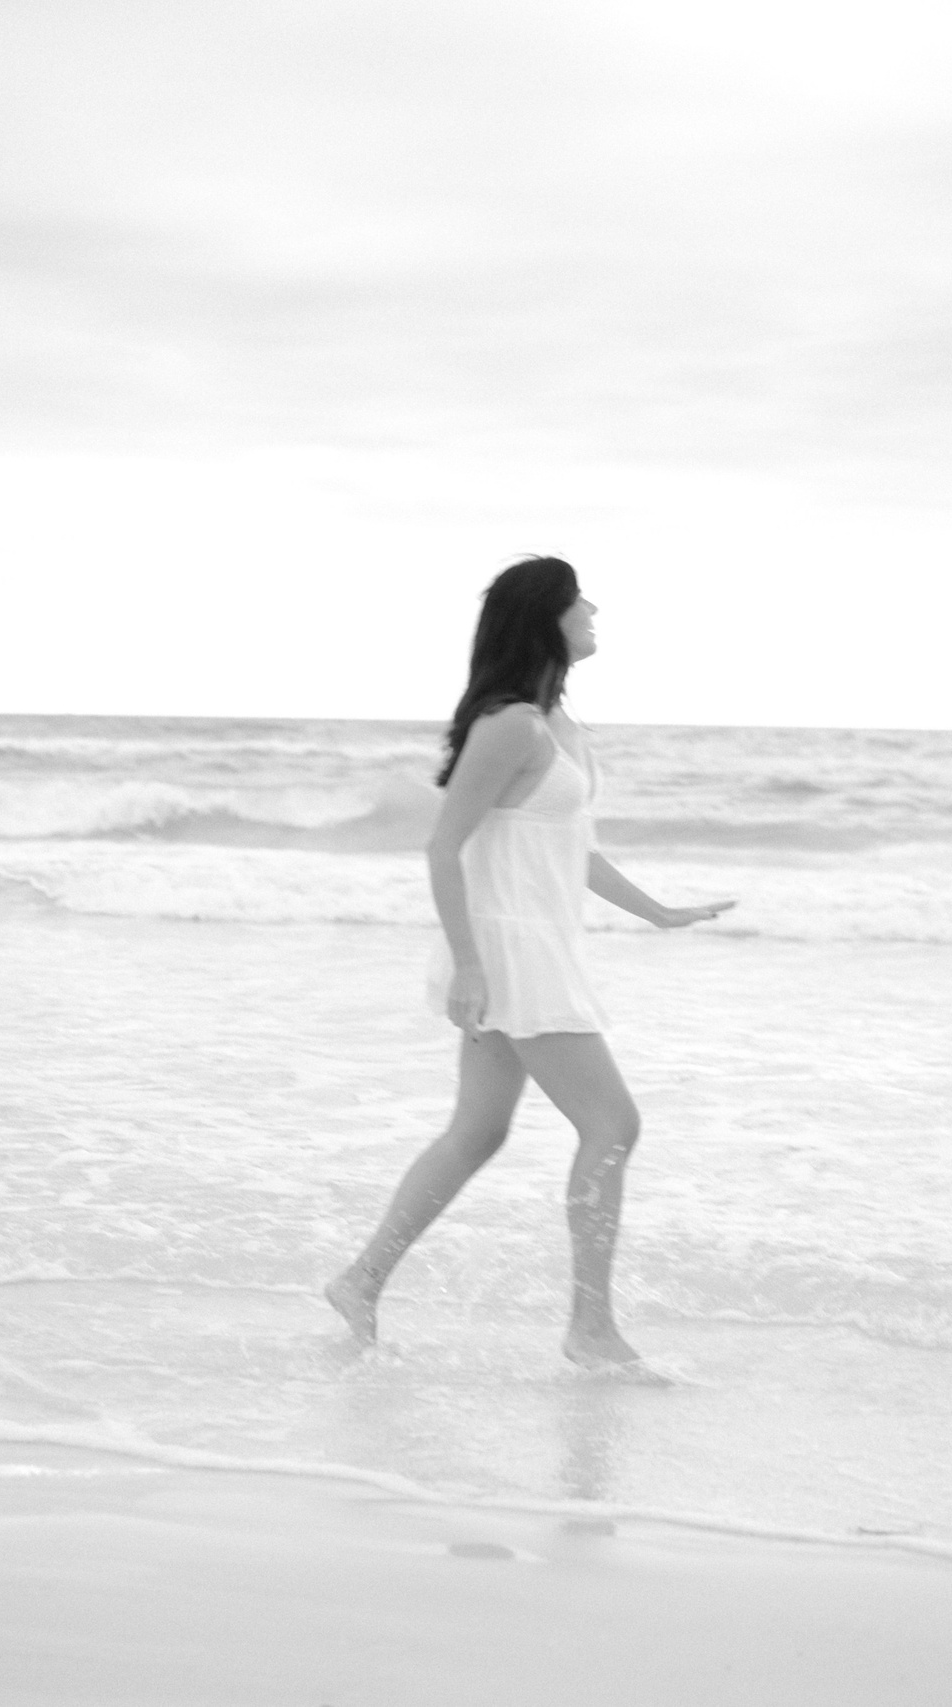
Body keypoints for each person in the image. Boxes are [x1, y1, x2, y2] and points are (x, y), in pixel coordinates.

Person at [325, 556, 733, 1370]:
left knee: (478, 1131)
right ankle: (590, 1329)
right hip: (507, 952)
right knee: (613, 1125)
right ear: (542, 618)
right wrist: (472, 965)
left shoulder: (561, 727)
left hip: (532, 948)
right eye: (577, 598)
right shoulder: (508, 724)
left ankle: (361, 1279)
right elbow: (444, 847)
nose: (592, 608)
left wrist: (657, 909)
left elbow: (569, 847)